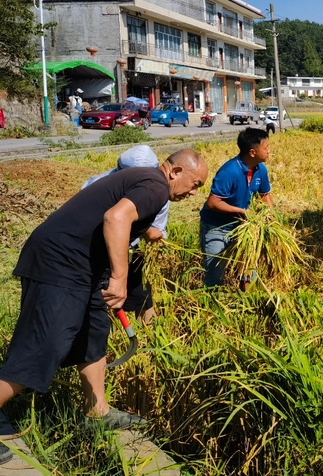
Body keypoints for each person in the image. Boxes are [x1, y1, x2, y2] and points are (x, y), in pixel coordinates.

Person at [0, 149, 207, 465]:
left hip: (82, 268)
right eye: (195, 184)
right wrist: (120, 278)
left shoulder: (147, 181)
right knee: (44, 346)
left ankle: (97, 412)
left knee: (93, 334)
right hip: (61, 266)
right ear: (176, 171)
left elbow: (119, 215)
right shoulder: (156, 185)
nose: (193, 193)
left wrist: (151, 234)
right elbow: (116, 217)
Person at [82, 145, 171, 326]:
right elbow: (99, 219)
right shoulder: (97, 184)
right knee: (98, 300)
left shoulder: (157, 190)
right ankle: (103, 334)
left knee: (143, 296)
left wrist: (155, 238)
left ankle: (152, 336)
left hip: (131, 249)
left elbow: (157, 229)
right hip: (95, 249)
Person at [200, 127, 272, 291]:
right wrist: (243, 212)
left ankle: (245, 304)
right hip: (217, 227)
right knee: (215, 272)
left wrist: (270, 216)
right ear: (253, 152)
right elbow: (213, 202)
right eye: (266, 148)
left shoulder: (261, 170)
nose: (269, 151)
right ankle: (212, 305)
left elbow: (265, 195)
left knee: (248, 268)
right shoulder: (229, 171)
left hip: (243, 227)